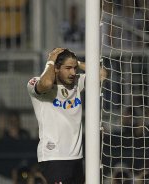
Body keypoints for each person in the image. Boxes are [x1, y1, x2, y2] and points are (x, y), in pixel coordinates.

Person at [27, 48, 107, 184]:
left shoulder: (76, 82)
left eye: (75, 68)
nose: (73, 72)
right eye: (68, 68)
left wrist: (77, 62)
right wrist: (51, 60)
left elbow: (102, 74)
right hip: (55, 157)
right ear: (56, 68)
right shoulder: (36, 83)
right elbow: (46, 83)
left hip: (77, 157)